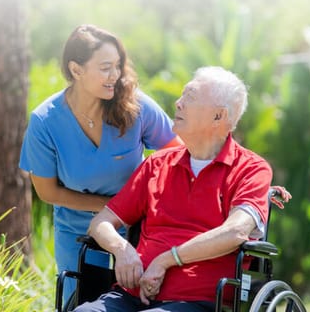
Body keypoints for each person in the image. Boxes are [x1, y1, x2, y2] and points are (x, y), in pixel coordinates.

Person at [74, 66, 291, 312]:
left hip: (198, 302)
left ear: (218, 117)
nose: (178, 103)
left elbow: (235, 232)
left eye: (190, 97)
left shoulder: (251, 169)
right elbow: (101, 222)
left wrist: (166, 260)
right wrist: (122, 250)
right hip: (130, 296)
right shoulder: (157, 164)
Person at [19, 24, 181, 304]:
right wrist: (110, 209)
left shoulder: (136, 106)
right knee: (82, 301)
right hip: (77, 231)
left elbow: (180, 152)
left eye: (118, 66)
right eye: (106, 67)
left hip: (138, 227)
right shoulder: (45, 121)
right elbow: (48, 192)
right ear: (76, 69)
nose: (115, 76)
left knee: (135, 302)